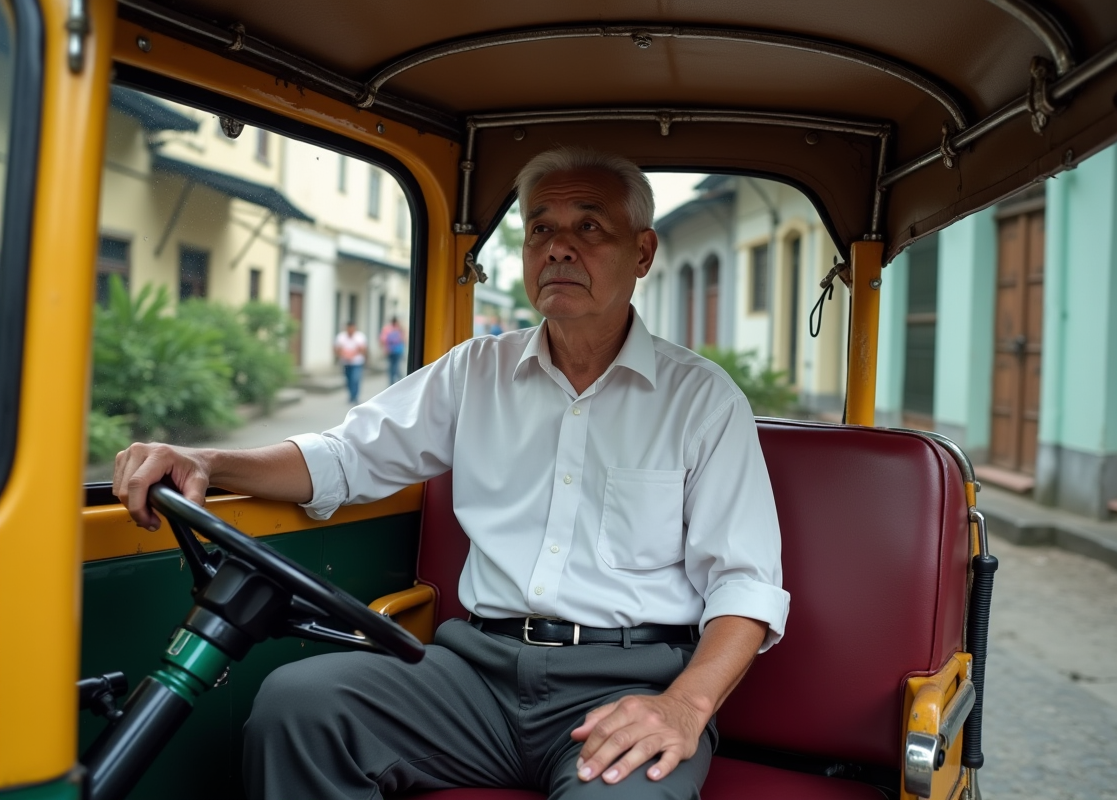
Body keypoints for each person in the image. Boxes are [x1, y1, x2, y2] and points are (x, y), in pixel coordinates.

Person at [111, 146, 788, 800]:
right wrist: (206, 460)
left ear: (642, 252)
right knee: (299, 706)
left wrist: (683, 706)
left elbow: (745, 583)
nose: (557, 247)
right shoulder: (477, 372)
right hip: (475, 676)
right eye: (541, 230)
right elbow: (345, 458)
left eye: (588, 226)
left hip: (627, 683)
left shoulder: (701, 397)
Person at [334, 320, 367, 403]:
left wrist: (352, 354)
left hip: (357, 362)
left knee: (355, 379)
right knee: (348, 380)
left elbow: (362, 349)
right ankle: (351, 395)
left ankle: (355, 396)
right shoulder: (341, 337)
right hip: (346, 362)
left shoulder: (360, 336)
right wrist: (345, 354)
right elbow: (337, 349)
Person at [379, 315, 407, 384]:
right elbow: (404, 339)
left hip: (392, 351)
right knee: (395, 366)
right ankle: (398, 381)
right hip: (396, 351)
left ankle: (393, 381)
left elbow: (382, 340)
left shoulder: (387, 328)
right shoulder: (399, 328)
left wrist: (384, 349)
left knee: (393, 366)